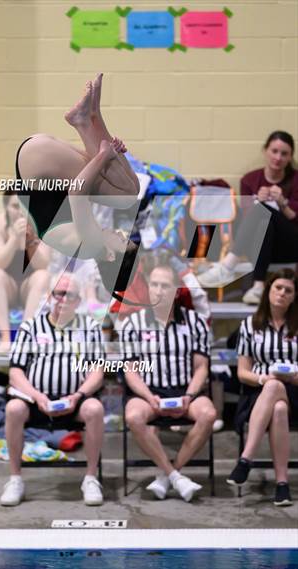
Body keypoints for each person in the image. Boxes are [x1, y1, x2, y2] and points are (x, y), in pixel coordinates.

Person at [14, 73, 141, 300]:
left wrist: (103, 155)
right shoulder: (90, 245)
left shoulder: (93, 246)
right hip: (38, 161)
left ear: (111, 256)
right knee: (130, 188)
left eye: (123, 241)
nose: (121, 233)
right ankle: (91, 116)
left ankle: (86, 120)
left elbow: (77, 192)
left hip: (36, 163)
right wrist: (108, 155)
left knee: (126, 195)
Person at [0, 273, 105, 507]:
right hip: (35, 401)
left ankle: (90, 478)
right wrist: (37, 396)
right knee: (13, 408)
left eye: (70, 295)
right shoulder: (30, 327)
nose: (63, 299)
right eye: (59, 293)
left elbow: (97, 372)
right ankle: (15, 479)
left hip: (75, 401)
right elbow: (15, 372)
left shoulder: (90, 327)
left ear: (78, 301)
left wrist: (77, 395)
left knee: (95, 408)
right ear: (49, 297)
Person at [120, 263, 216, 502]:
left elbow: (201, 367)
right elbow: (131, 371)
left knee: (208, 414)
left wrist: (190, 396)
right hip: (147, 392)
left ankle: (167, 475)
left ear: (175, 291)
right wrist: (148, 397)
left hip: (185, 389)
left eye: (165, 285)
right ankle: (176, 476)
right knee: (133, 416)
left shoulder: (194, 322)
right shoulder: (133, 324)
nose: (159, 290)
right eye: (154, 284)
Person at [198, 131, 298, 304]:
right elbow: (246, 222)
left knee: (262, 210)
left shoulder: (296, 179)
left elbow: (295, 220)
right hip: (259, 246)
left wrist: (282, 203)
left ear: (290, 157)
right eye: (274, 151)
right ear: (265, 151)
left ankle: (228, 265)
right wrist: (256, 201)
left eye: (284, 154)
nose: (278, 157)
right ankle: (258, 287)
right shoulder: (250, 180)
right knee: (263, 222)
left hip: (290, 245)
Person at [226, 268, 298, 506]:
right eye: (278, 288)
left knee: (277, 388)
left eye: (288, 290)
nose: (282, 293)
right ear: (268, 290)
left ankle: (246, 459)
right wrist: (263, 379)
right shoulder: (250, 325)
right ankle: (282, 485)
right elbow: (243, 372)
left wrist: (294, 377)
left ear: (294, 296)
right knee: (276, 405)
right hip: (257, 391)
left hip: (295, 391)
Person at [0, 193, 51, 353]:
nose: (21, 212)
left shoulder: (41, 223)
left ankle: (24, 337)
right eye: (15, 206)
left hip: (30, 286)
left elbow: (43, 264)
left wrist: (30, 242)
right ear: (6, 207)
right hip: (9, 287)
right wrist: (14, 238)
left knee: (43, 276)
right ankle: (6, 339)